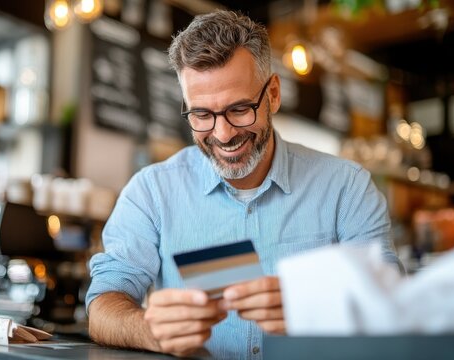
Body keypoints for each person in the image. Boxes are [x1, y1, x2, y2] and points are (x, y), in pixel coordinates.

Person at [86, 10, 400, 359]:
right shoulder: (152, 193)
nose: (223, 134)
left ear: (274, 95)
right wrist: (150, 331)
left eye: (239, 109)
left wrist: (314, 306)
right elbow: (103, 306)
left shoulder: (346, 187)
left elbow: (391, 300)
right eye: (202, 115)